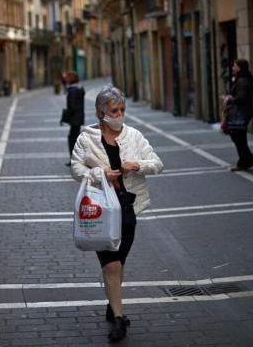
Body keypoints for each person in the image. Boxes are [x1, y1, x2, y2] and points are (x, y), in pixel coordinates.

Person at [70, 86, 163, 342]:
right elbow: (76, 167)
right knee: (110, 263)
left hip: (128, 206)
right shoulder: (86, 138)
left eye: (122, 109)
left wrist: (137, 165)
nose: (119, 114)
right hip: (102, 209)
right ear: (102, 112)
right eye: (114, 110)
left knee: (119, 262)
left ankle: (113, 305)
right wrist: (99, 174)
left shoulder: (133, 136)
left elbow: (158, 164)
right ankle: (119, 320)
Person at [222, 59, 253, 171]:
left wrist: (229, 99)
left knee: (238, 137)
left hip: (241, 113)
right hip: (243, 112)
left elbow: (241, 98)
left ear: (240, 68)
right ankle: (247, 159)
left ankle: (246, 160)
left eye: (234, 66)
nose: (232, 68)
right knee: (239, 137)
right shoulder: (242, 79)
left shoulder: (242, 81)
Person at [62, 71, 85, 166]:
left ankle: (75, 159)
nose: (65, 79)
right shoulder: (77, 89)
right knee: (75, 138)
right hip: (78, 118)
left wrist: (65, 115)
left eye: (67, 77)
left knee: (73, 139)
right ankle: (76, 159)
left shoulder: (72, 91)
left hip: (75, 119)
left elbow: (72, 107)